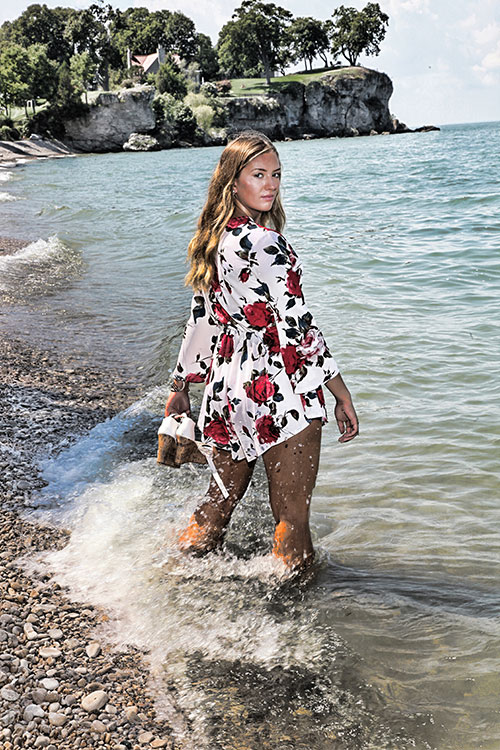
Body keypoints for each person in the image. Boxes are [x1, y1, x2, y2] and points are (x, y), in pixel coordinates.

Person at [165, 130, 358, 571]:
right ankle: (289, 626)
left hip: (230, 387)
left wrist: (181, 385)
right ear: (233, 181)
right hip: (278, 387)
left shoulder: (214, 242)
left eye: (276, 174)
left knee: (218, 504)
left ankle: (170, 578)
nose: (270, 184)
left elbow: (203, 319)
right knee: (292, 518)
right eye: (258, 175)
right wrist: (339, 392)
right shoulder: (266, 243)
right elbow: (298, 327)